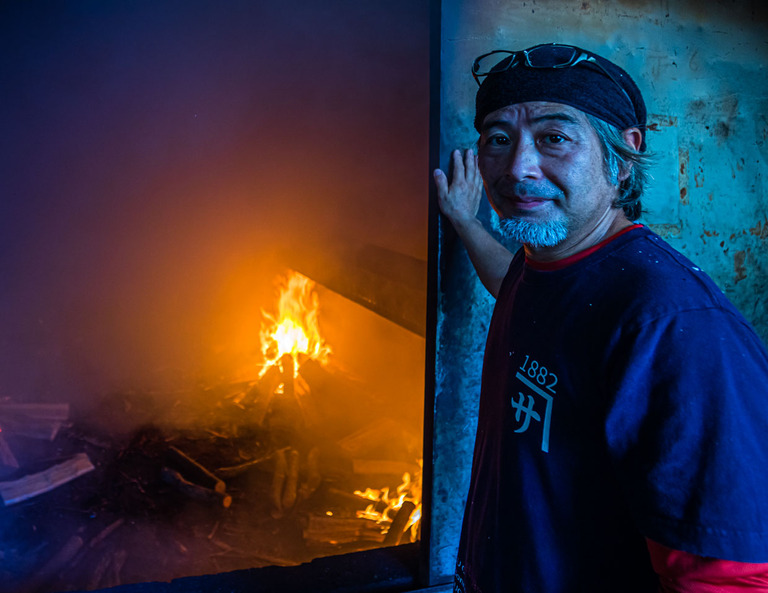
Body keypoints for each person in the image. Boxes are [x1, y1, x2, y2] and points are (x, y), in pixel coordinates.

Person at [433, 43, 768, 593]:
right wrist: (465, 221)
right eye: (498, 139)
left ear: (623, 156)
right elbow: (515, 287)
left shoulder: (670, 324)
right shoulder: (542, 267)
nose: (518, 168)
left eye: (554, 138)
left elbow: (730, 579)